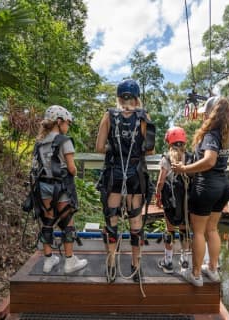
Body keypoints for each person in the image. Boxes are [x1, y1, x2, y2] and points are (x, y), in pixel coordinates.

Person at [96, 79, 155, 283]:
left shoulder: (109, 116)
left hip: (114, 173)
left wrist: (114, 149)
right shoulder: (144, 116)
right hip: (135, 175)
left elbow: (99, 146)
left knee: (112, 219)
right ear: (137, 98)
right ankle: (135, 267)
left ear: (119, 97)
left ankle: (111, 265)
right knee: (136, 220)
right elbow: (150, 149)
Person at [171, 96, 229, 287]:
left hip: (207, 186)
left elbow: (209, 161)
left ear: (210, 113)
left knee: (198, 232)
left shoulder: (211, 135)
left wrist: (183, 169)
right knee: (212, 229)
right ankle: (213, 269)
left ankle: (196, 274)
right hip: (223, 185)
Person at [30, 105, 87, 274]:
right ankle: (69, 261)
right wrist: (75, 172)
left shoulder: (39, 142)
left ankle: (49, 259)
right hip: (61, 187)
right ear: (59, 121)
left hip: (43, 186)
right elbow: (71, 168)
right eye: (67, 123)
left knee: (47, 221)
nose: (68, 126)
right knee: (67, 221)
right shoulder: (64, 141)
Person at [155, 127, 193, 274]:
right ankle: (184, 261)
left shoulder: (166, 158)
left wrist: (158, 196)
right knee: (184, 229)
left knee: (169, 230)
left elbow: (160, 181)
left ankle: (168, 262)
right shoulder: (190, 157)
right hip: (186, 202)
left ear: (168, 140)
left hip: (171, 202)